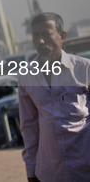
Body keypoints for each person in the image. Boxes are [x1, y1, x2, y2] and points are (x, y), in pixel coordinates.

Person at [18, 12, 90, 182]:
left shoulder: (84, 69)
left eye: (46, 34)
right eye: (36, 35)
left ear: (62, 36)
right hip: (50, 173)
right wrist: (31, 170)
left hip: (85, 169)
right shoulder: (27, 76)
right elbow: (29, 128)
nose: (40, 41)